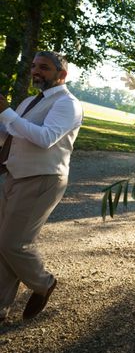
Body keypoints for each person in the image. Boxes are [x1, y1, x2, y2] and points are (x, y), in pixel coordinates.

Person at [0, 51, 83, 323]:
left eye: (44, 68)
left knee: (14, 243)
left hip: (42, 179)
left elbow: (45, 138)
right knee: (3, 242)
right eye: (34, 66)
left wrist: (7, 113)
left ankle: (43, 283)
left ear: (62, 74)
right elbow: (12, 132)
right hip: (15, 175)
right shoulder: (28, 101)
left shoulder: (67, 104)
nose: (36, 71)